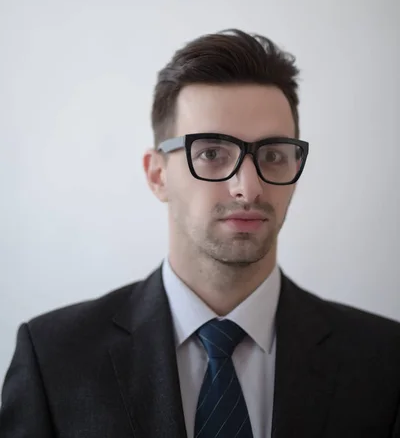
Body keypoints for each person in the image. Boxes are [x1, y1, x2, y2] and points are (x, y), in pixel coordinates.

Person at [1, 29, 399, 438]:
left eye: (274, 155)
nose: (248, 187)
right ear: (157, 175)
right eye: (211, 153)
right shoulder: (53, 358)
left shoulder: (384, 361)